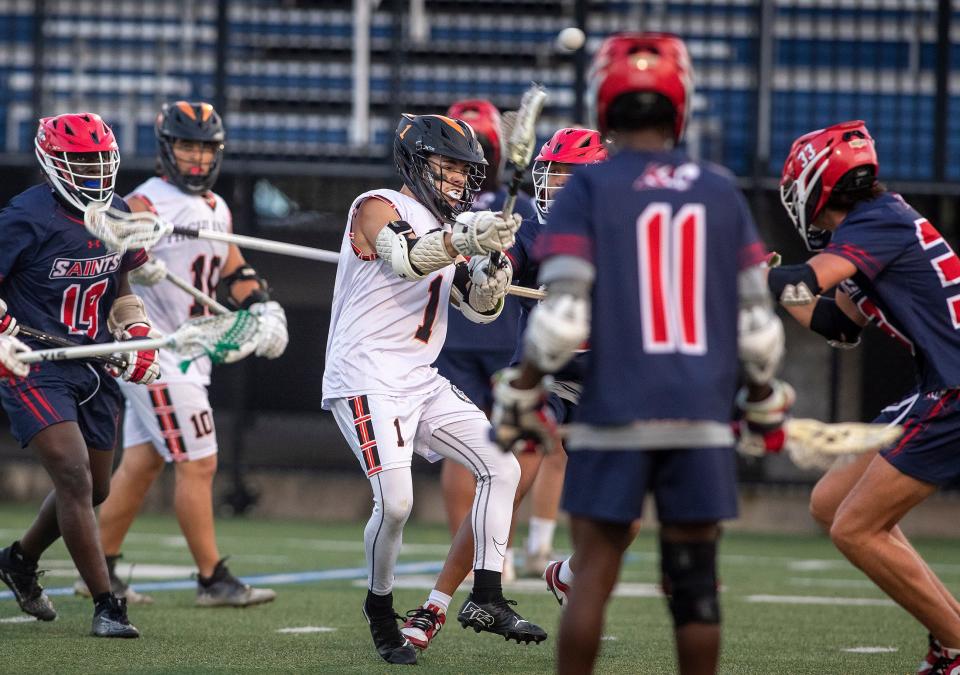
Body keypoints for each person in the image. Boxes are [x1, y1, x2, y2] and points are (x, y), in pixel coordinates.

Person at [490, 32, 784, 675]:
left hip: (614, 404)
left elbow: (562, 319)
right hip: (699, 409)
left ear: (606, 102)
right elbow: (758, 328)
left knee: (591, 574)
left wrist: (523, 384)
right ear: (678, 102)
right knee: (695, 585)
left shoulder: (588, 192)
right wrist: (763, 401)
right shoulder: (718, 187)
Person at [321, 112, 534, 665]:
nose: (459, 182)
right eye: (447, 169)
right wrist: (466, 236)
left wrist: (493, 268)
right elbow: (409, 259)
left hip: (420, 377)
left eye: (465, 173)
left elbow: (481, 309)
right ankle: (380, 606)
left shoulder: (452, 228)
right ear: (415, 162)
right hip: (366, 376)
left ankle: (486, 595)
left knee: (502, 464)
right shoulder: (375, 205)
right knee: (396, 504)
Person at [400, 126, 607, 652]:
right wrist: (493, 272)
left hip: (612, 379)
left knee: (620, 518)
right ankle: (437, 604)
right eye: (552, 173)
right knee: (509, 477)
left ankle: (565, 572)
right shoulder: (536, 227)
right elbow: (506, 266)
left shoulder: (630, 228)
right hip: (545, 374)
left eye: (569, 175)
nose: (556, 185)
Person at [73, 101, 287, 607]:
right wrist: (130, 248)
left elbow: (232, 269)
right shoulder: (145, 201)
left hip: (193, 350)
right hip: (157, 351)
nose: (196, 158)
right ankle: (212, 578)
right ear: (167, 149)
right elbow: (102, 229)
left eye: (205, 148)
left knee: (144, 463)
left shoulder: (216, 207)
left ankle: (97, 568)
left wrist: (263, 306)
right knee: (200, 462)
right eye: (188, 146)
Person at [772, 120, 960, 675]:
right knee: (832, 505)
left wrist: (745, 276)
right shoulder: (868, 230)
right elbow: (838, 322)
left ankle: (955, 647)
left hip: (954, 387)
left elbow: (808, 277)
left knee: (856, 527)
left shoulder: (878, 221)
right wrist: (773, 282)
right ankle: (953, 638)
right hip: (940, 382)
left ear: (812, 183)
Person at [0, 112, 160, 637]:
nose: (91, 172)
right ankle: (107, 605)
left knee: (94, 490)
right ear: (51, 163)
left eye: (98, 161)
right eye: (80, 161)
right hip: (32, 363)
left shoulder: (116, 212)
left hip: (91, 363)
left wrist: (136, 332)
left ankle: (19, 560)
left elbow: (123, 292)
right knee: (72, 475)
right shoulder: (24, 217)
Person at [434, 99, 536, 582]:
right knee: (510, 445)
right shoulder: (511, 208)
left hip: (456, 332)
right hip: (498, 331)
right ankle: (495, 551)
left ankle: (474, 555)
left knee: (472, 447)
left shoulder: (431, 204)